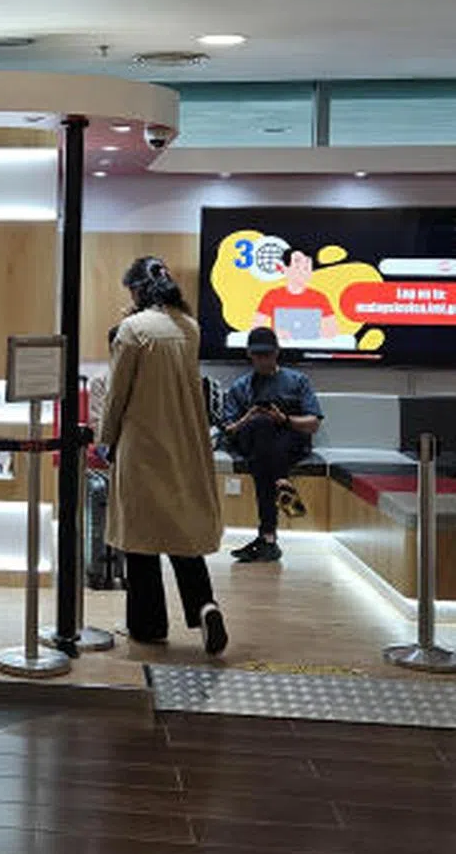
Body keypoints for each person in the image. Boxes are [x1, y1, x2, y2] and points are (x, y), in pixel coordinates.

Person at [99, 257, 228, 655]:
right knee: (181, 533)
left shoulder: (133, 331)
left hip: (143, 443)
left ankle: (148, 625)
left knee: (140, 538)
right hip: (185, 441)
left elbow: (117, 393)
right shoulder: (190, 328)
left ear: (138, 291)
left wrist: (106, 438)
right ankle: (204, 605)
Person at [222, 326, 323, 564]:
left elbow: (313, 423)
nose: (262, 360)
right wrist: (251, 415)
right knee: (261, 426)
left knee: (264, 451)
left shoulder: (297, 381)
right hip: (251, 439)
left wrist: (284, 419)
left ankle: (267, 536)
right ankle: (281, 484)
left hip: (287, 442)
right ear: (249, 354)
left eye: (267, 354)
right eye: (258, 355)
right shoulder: (241, 387)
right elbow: (229, 429)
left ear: (277, 353)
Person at [252, 248, 338, 341]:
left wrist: (311, 333)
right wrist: (275, 335)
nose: (302, 272)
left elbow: (332, 331)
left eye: (306, 268)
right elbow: (256, 328)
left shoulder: (320, 297)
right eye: (297, 267)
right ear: (285, 269)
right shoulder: (272, 295)